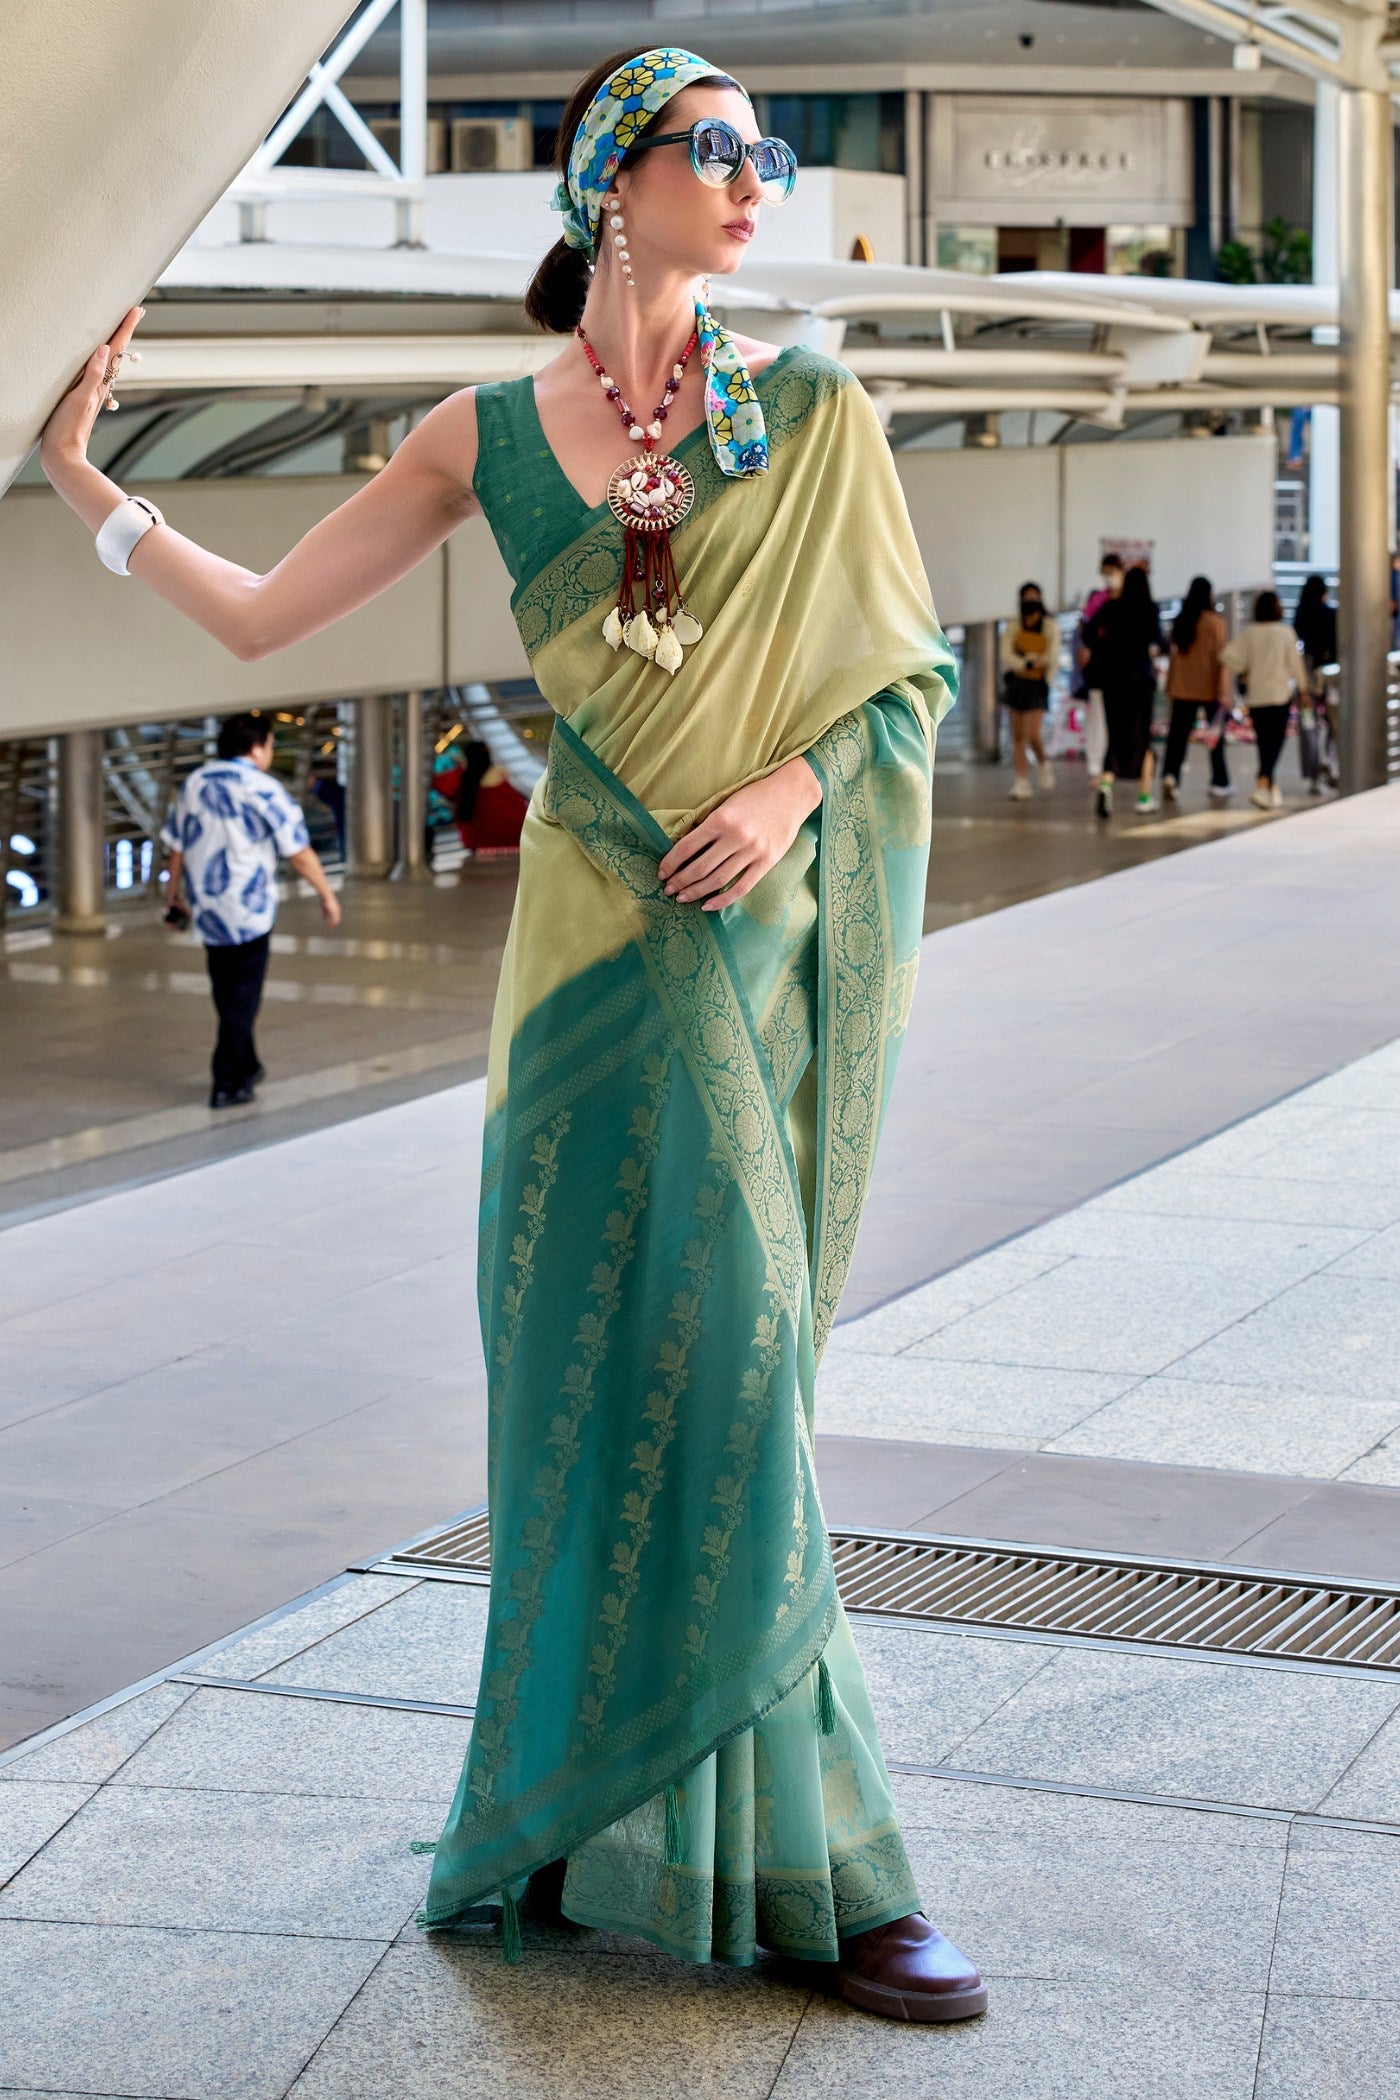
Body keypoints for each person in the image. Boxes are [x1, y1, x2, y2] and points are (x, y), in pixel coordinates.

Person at [41, 45, 984, 2024]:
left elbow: (899, 684)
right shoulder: (482, 433)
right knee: (582, 1386)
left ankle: (833, 1868)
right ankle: (564, 1819)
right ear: (608, 180)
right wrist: (85, 491)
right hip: (577, 958)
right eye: (713, 151)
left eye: (765, 153)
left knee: (734, 1370)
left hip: (747, 934)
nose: (753, 181)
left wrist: (792, 794)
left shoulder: (808, 411)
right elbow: (263, 619)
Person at [160, 713, 341, 1107]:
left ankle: (248, 1065)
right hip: (249, 910)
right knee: (242, 1000)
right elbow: (299, 852)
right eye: (271, 745)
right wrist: (326, 893)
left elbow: (177, 845)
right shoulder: (264, 789)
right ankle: (226, 1082)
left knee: (227, 994)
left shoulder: (195, 783)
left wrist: (172, 894)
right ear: (257, 748)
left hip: (208, 909)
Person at [1083, 563, 1163, 818]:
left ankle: (1106, 785)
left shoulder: (1112, 607)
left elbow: (1088, 633)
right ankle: (1144, 796)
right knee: (1143, 738)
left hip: (1112, 682)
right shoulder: (1149, 609)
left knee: (1115, 737)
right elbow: (1160, 640)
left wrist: (1104, 646)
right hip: (1140, 681)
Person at [1221, 590, 1301, 810]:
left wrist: (1245, 668)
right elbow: (1296, 665)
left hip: (1256, 696)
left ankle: (1269, 787)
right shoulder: (1285, 633)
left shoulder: (1249, 633)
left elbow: (1228, 656)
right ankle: (1263, 782)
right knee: (1275, 743)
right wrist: (1304, 689)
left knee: (1265, 743)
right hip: (1279, 695)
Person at [1160, 575, 1231, 803]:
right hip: (1209, 688)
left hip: (1182, 688)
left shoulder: (1181, 621)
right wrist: (1224, 690)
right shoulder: (1215, 623)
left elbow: (1174, 658)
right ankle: (1220, 780)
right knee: (1215, 737)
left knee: (1177, 738)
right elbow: (1222, 658)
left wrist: (1170, 686)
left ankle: (1171, 775)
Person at [998, 581, 1058, 798]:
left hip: (1038, 685)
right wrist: (1026, 663)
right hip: (1017, 683)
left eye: (1035, 597)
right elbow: (1006, 653)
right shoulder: (1014, 625)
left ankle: (1043, 764)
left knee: (1033, 733)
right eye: (1027, 597)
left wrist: (1042, 667)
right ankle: (1021, 782)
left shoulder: (1050, 626)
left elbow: (1053, 656)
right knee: (1017, 735)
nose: (1031, 602)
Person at [1075, 550, 1122, 777]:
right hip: (1100, 670)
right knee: (1098, 718)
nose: (1108, 577)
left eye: (1111, 572)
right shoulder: (1098, 601)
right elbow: (1085, 630)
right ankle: (1096, 763)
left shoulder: (1128, 600)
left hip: (1121, 671)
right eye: (1105, 573)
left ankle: (1111, 764)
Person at [1292, 573, 1339, 795]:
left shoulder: (1300, 616)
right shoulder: (1331, 615)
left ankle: (1312, 775)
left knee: (1309, 725)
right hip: (1329, 678)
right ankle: (1330, 760)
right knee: (1333, 722)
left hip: (1306, 678)